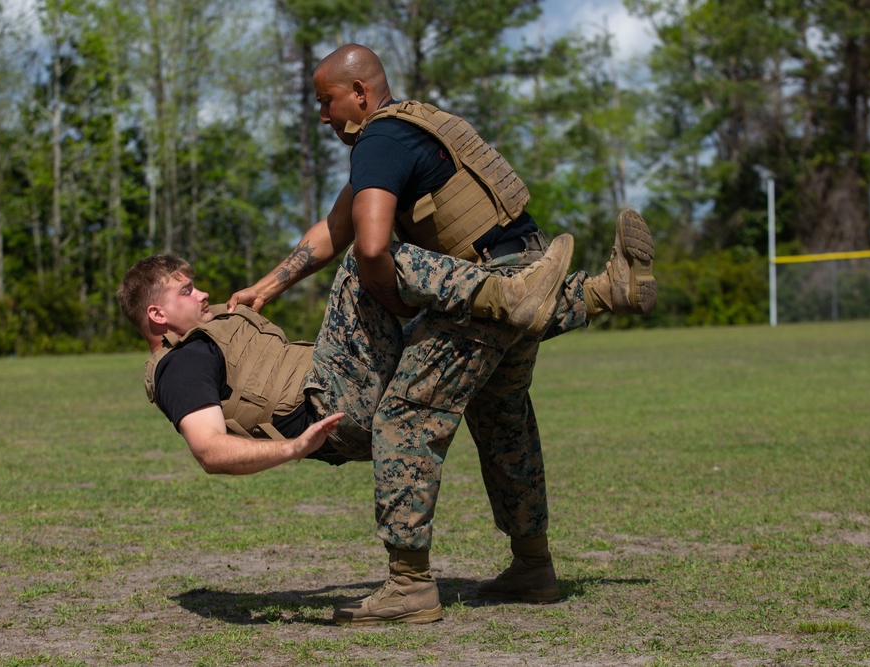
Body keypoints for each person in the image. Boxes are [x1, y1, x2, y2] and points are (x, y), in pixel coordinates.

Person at [226, 43, 657, 626]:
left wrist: (393, 301)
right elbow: (334, 227)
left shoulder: (378, 139)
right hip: (527, 266)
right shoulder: (418, 125)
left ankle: (408, 584)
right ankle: (532, 565)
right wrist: (267, 286)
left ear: (359, 93)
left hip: (479, 290)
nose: (322, 117)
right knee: (502, 418)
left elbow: (370, 244)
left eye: (325, 102)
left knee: (404, 416)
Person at [116, 236, 573, 479]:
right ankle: (508, 291)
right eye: (186, 290)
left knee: (462, 325)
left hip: (347, 387)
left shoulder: (214, 325)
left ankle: (600, 294)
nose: (203, 293)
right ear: (156, 314)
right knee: (364, 257)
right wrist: (293, 449)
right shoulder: (182, 364)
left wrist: (266, 287)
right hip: (331, 406)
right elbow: (209, 450)